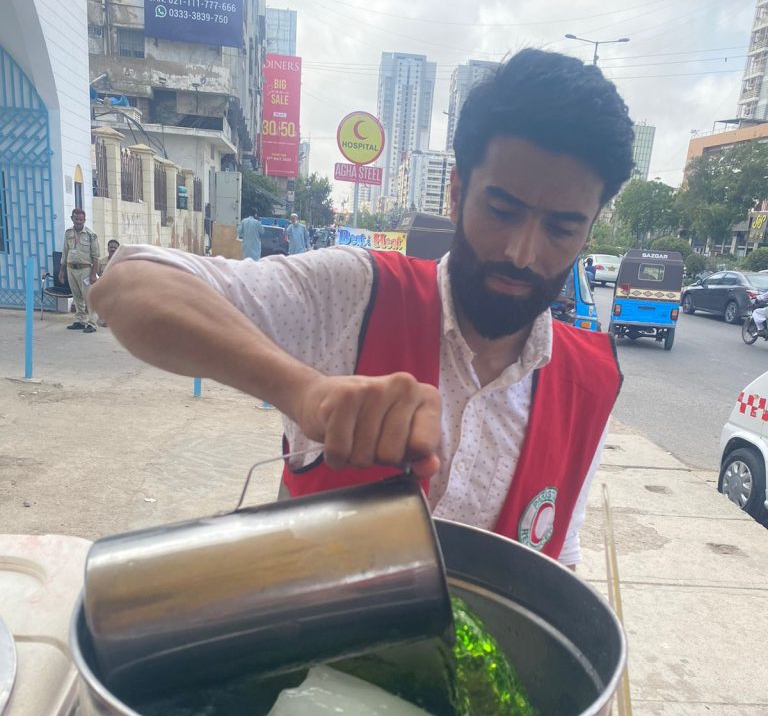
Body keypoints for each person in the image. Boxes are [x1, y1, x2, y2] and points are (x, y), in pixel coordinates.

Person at [90, 48, 635, 568]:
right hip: (312, 659)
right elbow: (130, 285)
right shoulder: (355, 294)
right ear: (457, 189)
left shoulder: (588, 380)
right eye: (501, 210)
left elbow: (558, 556)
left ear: (591, 226)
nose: (522, 253)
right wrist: (307, 392)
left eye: (562, 228)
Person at [59, 209, 100, 332]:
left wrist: (93, 274)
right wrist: (62, 271)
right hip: (71, 268)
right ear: (72, 218)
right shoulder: (68, 233)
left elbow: (96, 256)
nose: (78, 221)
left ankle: (92, 323)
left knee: (89, 297)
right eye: (76, 219)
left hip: (85, 270)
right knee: (77, 297)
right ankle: (81, 320)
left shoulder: (90, 235)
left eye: (81, 219)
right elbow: (65, 253)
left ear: (84, 220)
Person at [96, 239, 120, 327]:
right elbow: (96, 274)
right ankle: (102, 319)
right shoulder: (101, 261)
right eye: (111, 247)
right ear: (108, 249)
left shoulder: (121, 262)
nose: (113, 249)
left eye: (115, 248)